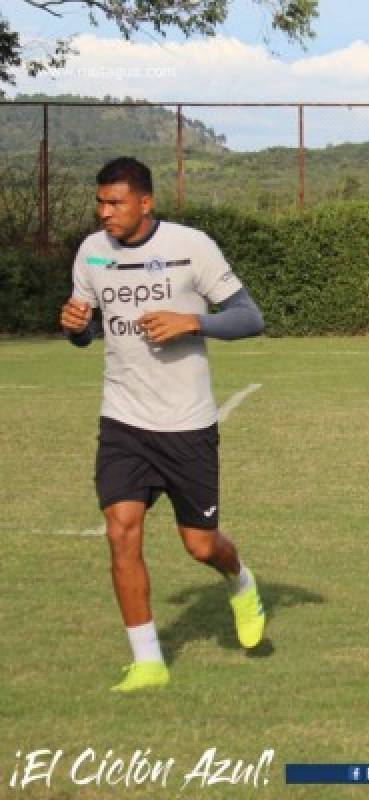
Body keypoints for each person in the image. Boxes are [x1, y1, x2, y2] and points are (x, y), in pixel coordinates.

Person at [60, 157, 267, 692]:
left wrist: (191, 321)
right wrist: (77, 328)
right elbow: (85, 333)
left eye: (116, 203)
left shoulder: (191, 246)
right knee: (120, 531)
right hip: (123, 419)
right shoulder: (91, 253)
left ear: (145, 203)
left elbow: (250, 317)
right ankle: (148, 660)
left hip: (187, 424)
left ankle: (240, 581)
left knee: (200, 546)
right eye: (100, 202)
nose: (104, 212)